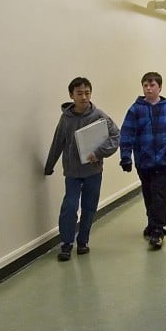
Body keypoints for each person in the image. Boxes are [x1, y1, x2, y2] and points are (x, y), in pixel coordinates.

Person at [44, 77, 120, 262]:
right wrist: (49, 166)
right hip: (72, 172)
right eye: (79, 93)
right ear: (71, 95)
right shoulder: (66, 119)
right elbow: (58, 142)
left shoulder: (99, 116)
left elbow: (115, 136)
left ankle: (83, 241)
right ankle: (66, 244)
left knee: (89, 207)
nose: (84, 97)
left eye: (87, 93)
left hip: (93, 171)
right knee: (69, 207)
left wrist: (99, 152)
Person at [119, 71, 166, 250]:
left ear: (160, 87)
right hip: (143, 161)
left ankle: (158, 230)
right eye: (145, 85)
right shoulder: (135, 109)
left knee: (159, 195)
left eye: (152, 85)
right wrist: (125, 157)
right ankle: (152, 222)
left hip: (164, 161)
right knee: (148, 194)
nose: (148, 88)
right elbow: (126, 134)